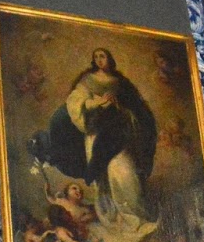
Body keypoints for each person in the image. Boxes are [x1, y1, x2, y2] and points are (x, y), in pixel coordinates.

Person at [29, 48, 157, 219]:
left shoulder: (121, 83)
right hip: (96, 133)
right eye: (96, 57)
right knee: (102, 176)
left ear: (109, 59)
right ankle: (111, 215)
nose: (99, 60)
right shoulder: (88, 80)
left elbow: (136, 107)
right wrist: (99, 102)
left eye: (102, 56)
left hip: (119, 132)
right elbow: (75, 102)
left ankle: (134, 215)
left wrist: (118, 105)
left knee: (124, 172)